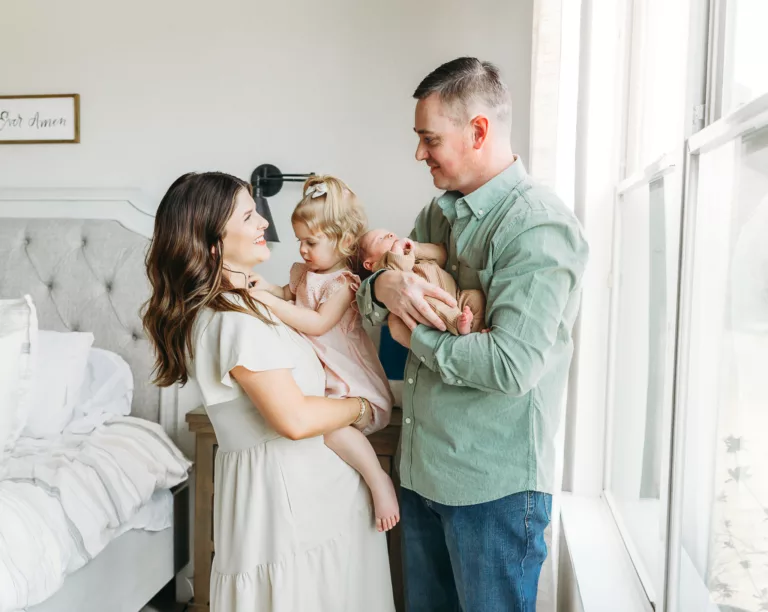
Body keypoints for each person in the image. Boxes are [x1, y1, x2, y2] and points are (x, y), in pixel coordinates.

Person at [356, 57, 589, 612]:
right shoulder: (437, 216)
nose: (420, 153)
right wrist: (384, 285)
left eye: (429, 138)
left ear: (478, 131)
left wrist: (415, 340)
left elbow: (511, 365)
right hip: (422, 473)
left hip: (492, 491)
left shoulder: (537, 225)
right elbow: (375, 298)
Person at [143, 172, 395, 612]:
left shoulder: (248, 305)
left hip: (315, 505)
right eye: (248, 216)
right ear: (214, 244)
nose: (263, 222)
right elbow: (294, 419)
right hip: (290, 514)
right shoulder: (235, 320)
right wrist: (361, 406)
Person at [249, 174, 399, 533]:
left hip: (353, 387)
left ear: (344, 241)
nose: (303, 250)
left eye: (311, 242)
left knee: (332, 431)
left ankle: (378, 479)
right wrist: (266, 287)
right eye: (300, 241)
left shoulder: (343, 284)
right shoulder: (304, 273)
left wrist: (269, 303)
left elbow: (317, 323)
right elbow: (288, 294)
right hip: (324, 384)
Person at [357, 228, 486, 335]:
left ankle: (480, 328)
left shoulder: (411, 254)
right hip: (429, 302)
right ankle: (457, 322)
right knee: (436, 307)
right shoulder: (386, 268)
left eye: (388, 233)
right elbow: (401, 274)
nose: (390, 235)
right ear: (369, 264)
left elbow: (441, 255)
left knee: (476, 298)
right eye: (380, 239)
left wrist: (415, 249)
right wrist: (397, 254)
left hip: (456, 295)